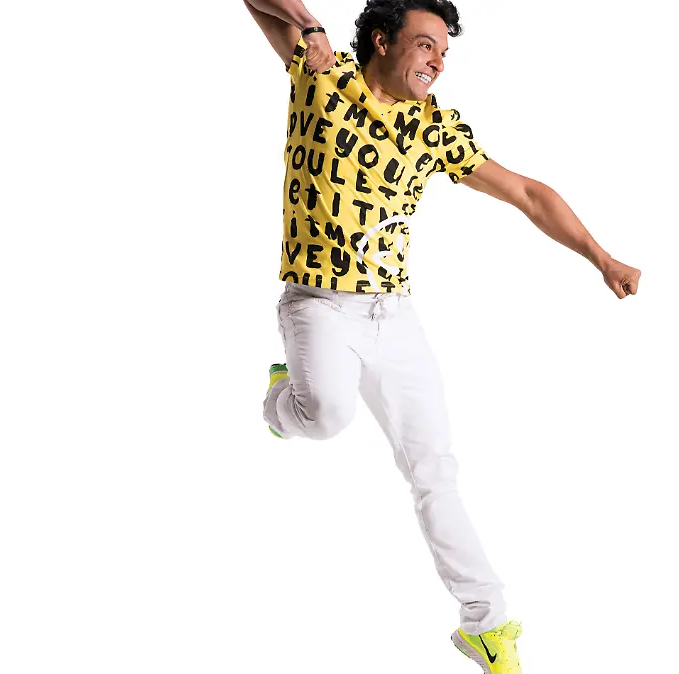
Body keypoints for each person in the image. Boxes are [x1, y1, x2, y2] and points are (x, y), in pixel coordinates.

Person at [244, 1, 641, 671]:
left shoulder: (433, 129)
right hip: (318, 305)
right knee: (327, 415)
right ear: (381, 40)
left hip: (393, 315)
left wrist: (602, 258)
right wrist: (308, 25)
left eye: (445, 53)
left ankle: (485, 622)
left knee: (433, 471)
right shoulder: (322, 75)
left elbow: (528, 194)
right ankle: (284, 399)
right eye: (426, 44)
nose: (437, 61)